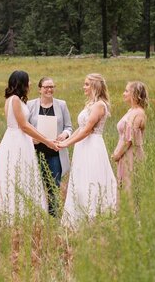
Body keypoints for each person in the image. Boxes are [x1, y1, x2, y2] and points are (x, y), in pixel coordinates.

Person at [0, 70, 58, 224]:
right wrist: (46, 140)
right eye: (28, 81)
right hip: (17, 140)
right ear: (22, 83)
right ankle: (13, 211)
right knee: (15, 173)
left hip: (16, 138)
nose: (30, 84)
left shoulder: (12, 99)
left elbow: (24, 125)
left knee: (15, 174)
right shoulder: (15, 100)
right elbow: (23, 126)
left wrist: (37, 136)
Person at [57, 73, 118, 226]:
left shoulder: (99, 105)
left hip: (93, 145)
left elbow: (88, 130)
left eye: (86, 84)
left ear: (94, 86)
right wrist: (65, 140)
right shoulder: (90, 104)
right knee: (80, 177)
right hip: (82, 145)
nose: (83, 87)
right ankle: (80, 214)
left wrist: (67, 145)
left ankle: (94, 215)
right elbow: (80, 128)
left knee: (91, 178)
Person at [27, 76, 74, 216]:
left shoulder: (61, 105)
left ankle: (53, 217)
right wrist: (31, 139)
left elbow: (69, 127)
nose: (49, 89)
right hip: (35, 152)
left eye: (52, 87)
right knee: (35, 186)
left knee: (53, 186)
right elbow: (24, 128)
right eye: (46, 87)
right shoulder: (30, 105)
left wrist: (64, 135)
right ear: (39, 89)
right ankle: (37, 216)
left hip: (55, 152)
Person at [112, 81, 147, 192]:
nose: (123, 93)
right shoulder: (130, 111)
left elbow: (129, 140)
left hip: (131, 155)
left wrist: (118, 154)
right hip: (124, 155)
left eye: (126, 91)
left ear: (134, 94)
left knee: (130, 189)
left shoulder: (139, 113)